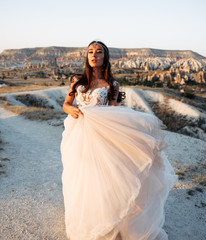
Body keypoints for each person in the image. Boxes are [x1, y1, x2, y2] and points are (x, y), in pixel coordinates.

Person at [61, 41, 177, 240]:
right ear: (86, 56)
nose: (94, 55)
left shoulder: (112, 84)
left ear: (105, 57)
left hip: (103, 133)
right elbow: (66, 103)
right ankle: (91, 217)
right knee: (84, 175)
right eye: (90, 52)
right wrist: (71, 109)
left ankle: (113, 220)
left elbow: (114, 110)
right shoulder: (77, 80)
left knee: (106, 176)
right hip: (80, 132)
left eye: (99, 52)